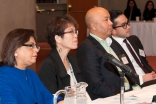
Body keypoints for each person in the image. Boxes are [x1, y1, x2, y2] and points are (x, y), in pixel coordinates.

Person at [76, 7, 140, 100]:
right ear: (94, 26)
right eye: (106, 20)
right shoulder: (87, 48)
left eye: (110, 19)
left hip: (128, 92)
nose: (111, 23)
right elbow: (96, 85)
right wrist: (122, 96)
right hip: (112, 98)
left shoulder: (109, 42)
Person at [0, 29, 63, 104]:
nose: (36, 50)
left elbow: (48, 97)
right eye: (31, 46)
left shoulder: (31, 74)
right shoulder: (3, 76)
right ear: (15, 50)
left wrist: (63, 101)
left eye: (36, 46)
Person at [109, 10, 156, 87]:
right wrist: (142, 78)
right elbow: (121, 75)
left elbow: (144, 62)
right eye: (124, 25)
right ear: (113, 30)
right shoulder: (111, 47)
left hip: (149, 77)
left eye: (128, 23)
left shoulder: (134, 39)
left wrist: (153, 74)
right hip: (136, 83)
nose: (128, 27)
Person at [38, 15, 82, 96]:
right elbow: (50, 98)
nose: (76, 35)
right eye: (71, 32)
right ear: (58, 38)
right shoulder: (48, 65)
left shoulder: (72, 59)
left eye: (75, 31)